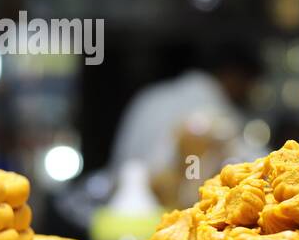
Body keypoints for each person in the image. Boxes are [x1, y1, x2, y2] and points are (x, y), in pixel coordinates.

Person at [108, 44, 265, 208]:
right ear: (235, 77)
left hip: (119, 211)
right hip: (169, 216)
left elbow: (118, 166)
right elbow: (256, 167)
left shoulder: (149, 97)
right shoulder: (217, 113)